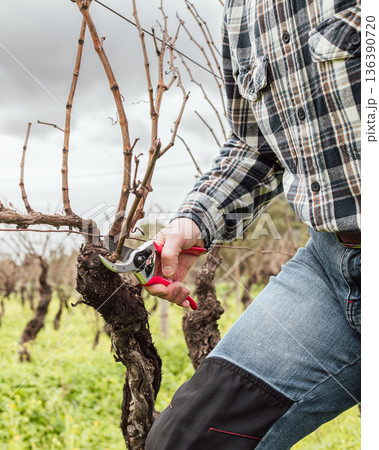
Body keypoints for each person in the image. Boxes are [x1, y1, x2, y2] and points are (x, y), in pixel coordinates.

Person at [145, 0, 361, 448]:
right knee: (187, 440)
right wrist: (195, 221)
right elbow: (255, 148)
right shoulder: (240, 13)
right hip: (330, 266)